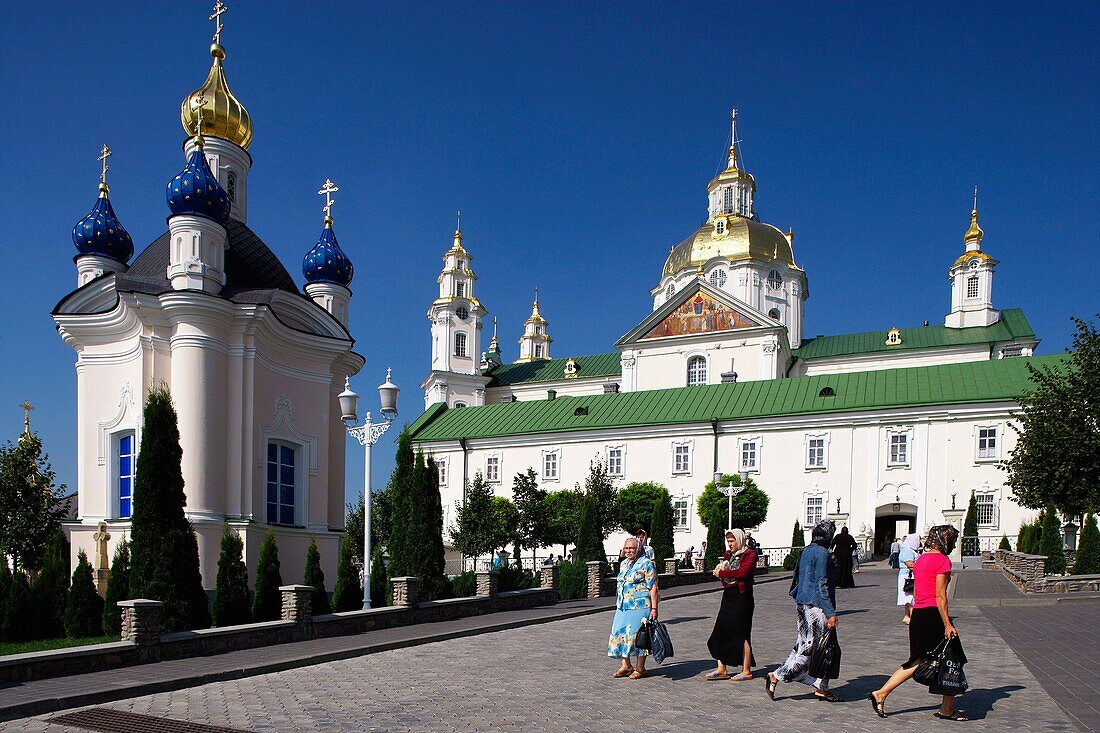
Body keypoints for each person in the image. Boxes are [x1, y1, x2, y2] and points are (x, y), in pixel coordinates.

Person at [870, 525, 967, 721]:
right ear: (944, 541)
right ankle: (882, 693)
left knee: (922, 659)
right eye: (952, 540)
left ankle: (882, 693)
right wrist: (947, 623)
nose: (953, 544)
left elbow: (918, 590)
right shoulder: (942, 561)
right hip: (933, 615)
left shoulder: (921, 559)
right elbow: (940, 596)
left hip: (919, 614)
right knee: (948, 658)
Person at [766, 519, 842, 702]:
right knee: (814, 648)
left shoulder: (807, 551)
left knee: (815, 646)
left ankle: (821, 687)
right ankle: (778, 675)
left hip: (803, 603)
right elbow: (822, 584)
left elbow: (797, 577)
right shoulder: (823, 553)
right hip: (816, 607)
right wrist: (830, 612)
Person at [705, 529, 757, 681]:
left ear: (740, 540)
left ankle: (746, 670)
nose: (730, 544)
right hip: (729, 596)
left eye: (732, 541)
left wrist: (722, 574)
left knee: (742, 633)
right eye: (728, 541)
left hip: (742, 598)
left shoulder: (750, 554)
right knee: (720, 630)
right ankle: (722, 668)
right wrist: (720, 571)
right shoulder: (729, 555)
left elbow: (742, 573)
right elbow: (727, 573)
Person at [608, 537, 659, 679]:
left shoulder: (646, 563)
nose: (629, 550)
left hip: (640, 606)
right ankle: (626, 666)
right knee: (619, 634)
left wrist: (654, 609)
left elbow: (653, 587)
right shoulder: (624, 563)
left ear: (638, 549)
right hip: (623, 605)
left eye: (632, 548)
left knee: (639, 637)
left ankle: (640, 668)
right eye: (626, 548)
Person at [897, 533, 921, 624]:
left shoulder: (910, 550)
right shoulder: (907, 550)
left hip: (909, 575)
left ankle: (907, 616)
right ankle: (912, 616)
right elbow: (910, 564)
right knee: (910, 596)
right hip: (908, 576)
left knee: (909, 597)